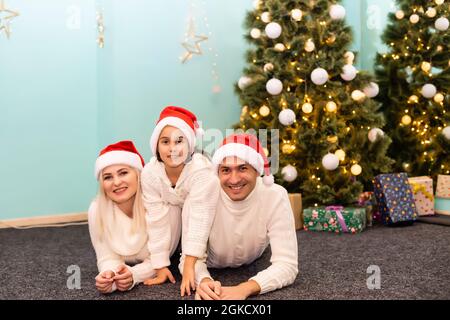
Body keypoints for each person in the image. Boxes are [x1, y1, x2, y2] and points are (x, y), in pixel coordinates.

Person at [195, 133, 298, 300]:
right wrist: (203, 280)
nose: (234, 179)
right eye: (226, 170)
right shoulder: (203, 194)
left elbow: (287, 264)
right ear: (218, 173)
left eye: (243, 168)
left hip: (253, 258)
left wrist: (245, 288)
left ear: (257, 171)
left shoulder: (275, 195)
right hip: (210, 263)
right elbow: (189, 256)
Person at [141, 106, 220, 297]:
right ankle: (172, 257)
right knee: (169, 210)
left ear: (189, 145)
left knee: (191, 208)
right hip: (177, 224)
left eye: (179, 141)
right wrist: (160, 265)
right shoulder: (150, 174)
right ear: (157, 146)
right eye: (165, 141)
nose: (173, 148)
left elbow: (200, 216)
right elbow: (156, 219)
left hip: (210, 220)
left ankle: (192, 263)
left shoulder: (201, 171)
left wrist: (189, 265)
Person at [88, 140, 162, 294]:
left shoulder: (159, 204)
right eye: (108, 177)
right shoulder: (96, 210)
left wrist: (135, 275)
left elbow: (161, 258)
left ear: (138, 175)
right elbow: (106, 257)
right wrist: (110, 276)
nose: (116, 182)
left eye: (123, 173)